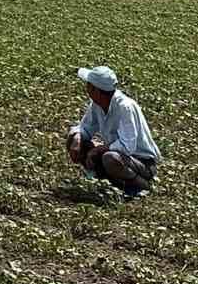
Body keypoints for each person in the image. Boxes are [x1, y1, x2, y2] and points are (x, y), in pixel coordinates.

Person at [65, 65, 160, 199]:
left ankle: (141, 186)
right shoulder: (97, 104)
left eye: (88, 85)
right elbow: (85, 127)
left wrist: (98, 150)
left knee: (110, 158)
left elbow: (127, 146)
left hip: (142, 163)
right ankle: (106, 180)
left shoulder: (125, 107)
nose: (86, 88)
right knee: (74, 137)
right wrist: (77, 137)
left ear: (95, 90)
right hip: (119, 157)